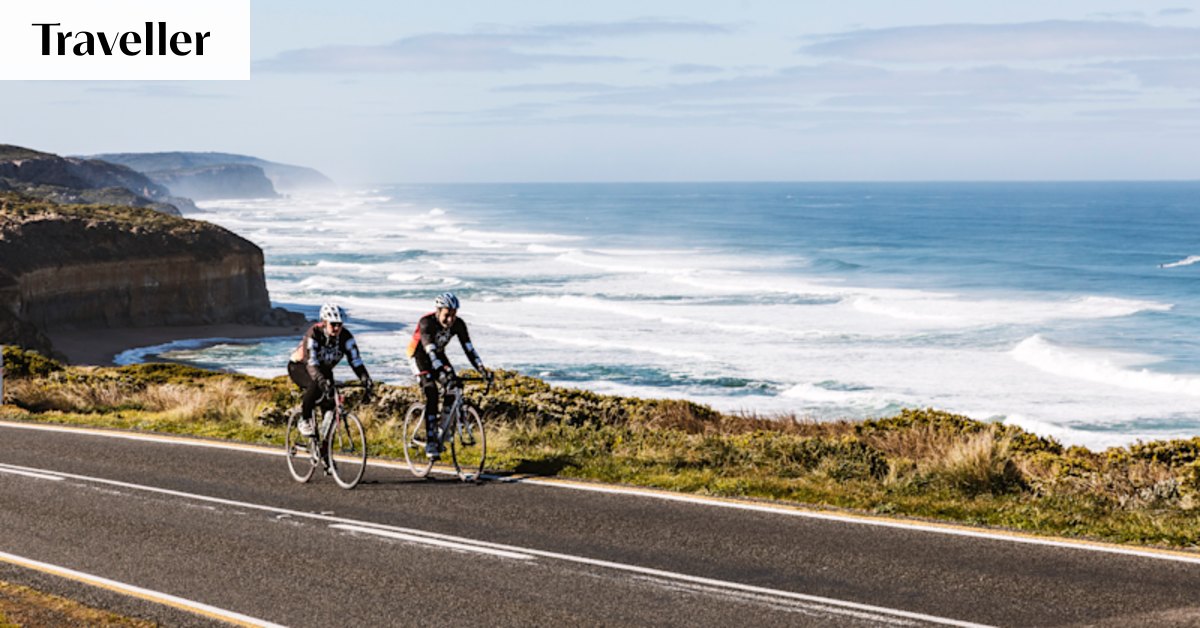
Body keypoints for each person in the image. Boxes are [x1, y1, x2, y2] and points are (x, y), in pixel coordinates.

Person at [406, 292, 491, 460]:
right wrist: (441, 370)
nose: (450, 320)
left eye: (453, 315)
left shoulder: (458, 324)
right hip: (419, 356)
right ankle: (430, 440)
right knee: (431, 391)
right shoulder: (426, 322)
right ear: (438, 311)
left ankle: (442, 431)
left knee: (455, 386)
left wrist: (481, 369)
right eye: (447, 315)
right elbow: (429, 350)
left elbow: (469, 348)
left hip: (438, 355)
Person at [287, 303, 374, 439]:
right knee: (315, 385)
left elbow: (355, 361)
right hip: (300, 367)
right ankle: (305, 419)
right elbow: (312, 364)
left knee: (331, 405)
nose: (337, 328)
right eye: (333, 324)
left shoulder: (345, 337)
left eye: (339, 324)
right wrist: (322, 382)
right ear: (324, 322)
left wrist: (365, 378)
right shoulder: (314, 334)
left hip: (323, 369)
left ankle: (324, 449)